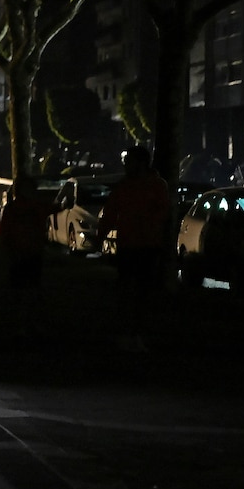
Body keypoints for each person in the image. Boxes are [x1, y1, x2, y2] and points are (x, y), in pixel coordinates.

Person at [95, 145, 171, 352]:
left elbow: (161, 213)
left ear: (141, 163)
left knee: (138, 293)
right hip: (135, 245)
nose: (126, 165)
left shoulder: (148, 186)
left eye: (129, 161)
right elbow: (111, 213)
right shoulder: (140, 186)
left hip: (144, 245)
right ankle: (130, 334)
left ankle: (133, 334)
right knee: (131, 292)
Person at [0, 175, 62, 342]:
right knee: (27, 291)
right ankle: (26, 324)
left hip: (26, 253)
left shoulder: (16, 208)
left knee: (25, 291)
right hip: (25, 253)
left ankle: (24, 324)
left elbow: (5, 231)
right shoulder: (31, 207)